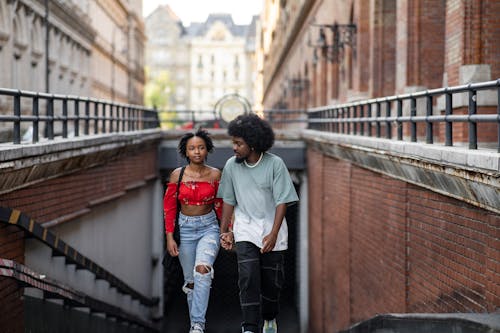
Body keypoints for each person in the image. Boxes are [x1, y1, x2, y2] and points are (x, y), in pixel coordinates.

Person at [217, 113, 299, 333]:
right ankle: (250, 327)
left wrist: (273, 234)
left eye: (238, 143)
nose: (233, 147)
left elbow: (283, 201)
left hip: (272, 231)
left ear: (252, 143)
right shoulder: (231, 166)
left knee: (272, 283)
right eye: (233, 142)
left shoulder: (275, 164)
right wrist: (224, 232)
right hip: (244, 228)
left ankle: (269, 318)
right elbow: (228, 199)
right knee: (248, 277)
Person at [163, 128, 222, 333]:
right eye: (192, 148)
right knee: (191, 282)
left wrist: (227, 231)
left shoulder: (215, 174)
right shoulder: (176, 175)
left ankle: (198, 325)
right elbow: (169, 207)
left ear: (207, 150)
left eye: (201, 148)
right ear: (186, 152)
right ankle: (194, 325)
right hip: (185, 230)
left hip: (209, 227)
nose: (197, 152)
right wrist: (170, 237)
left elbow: (221, 205)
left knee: (202, 271)